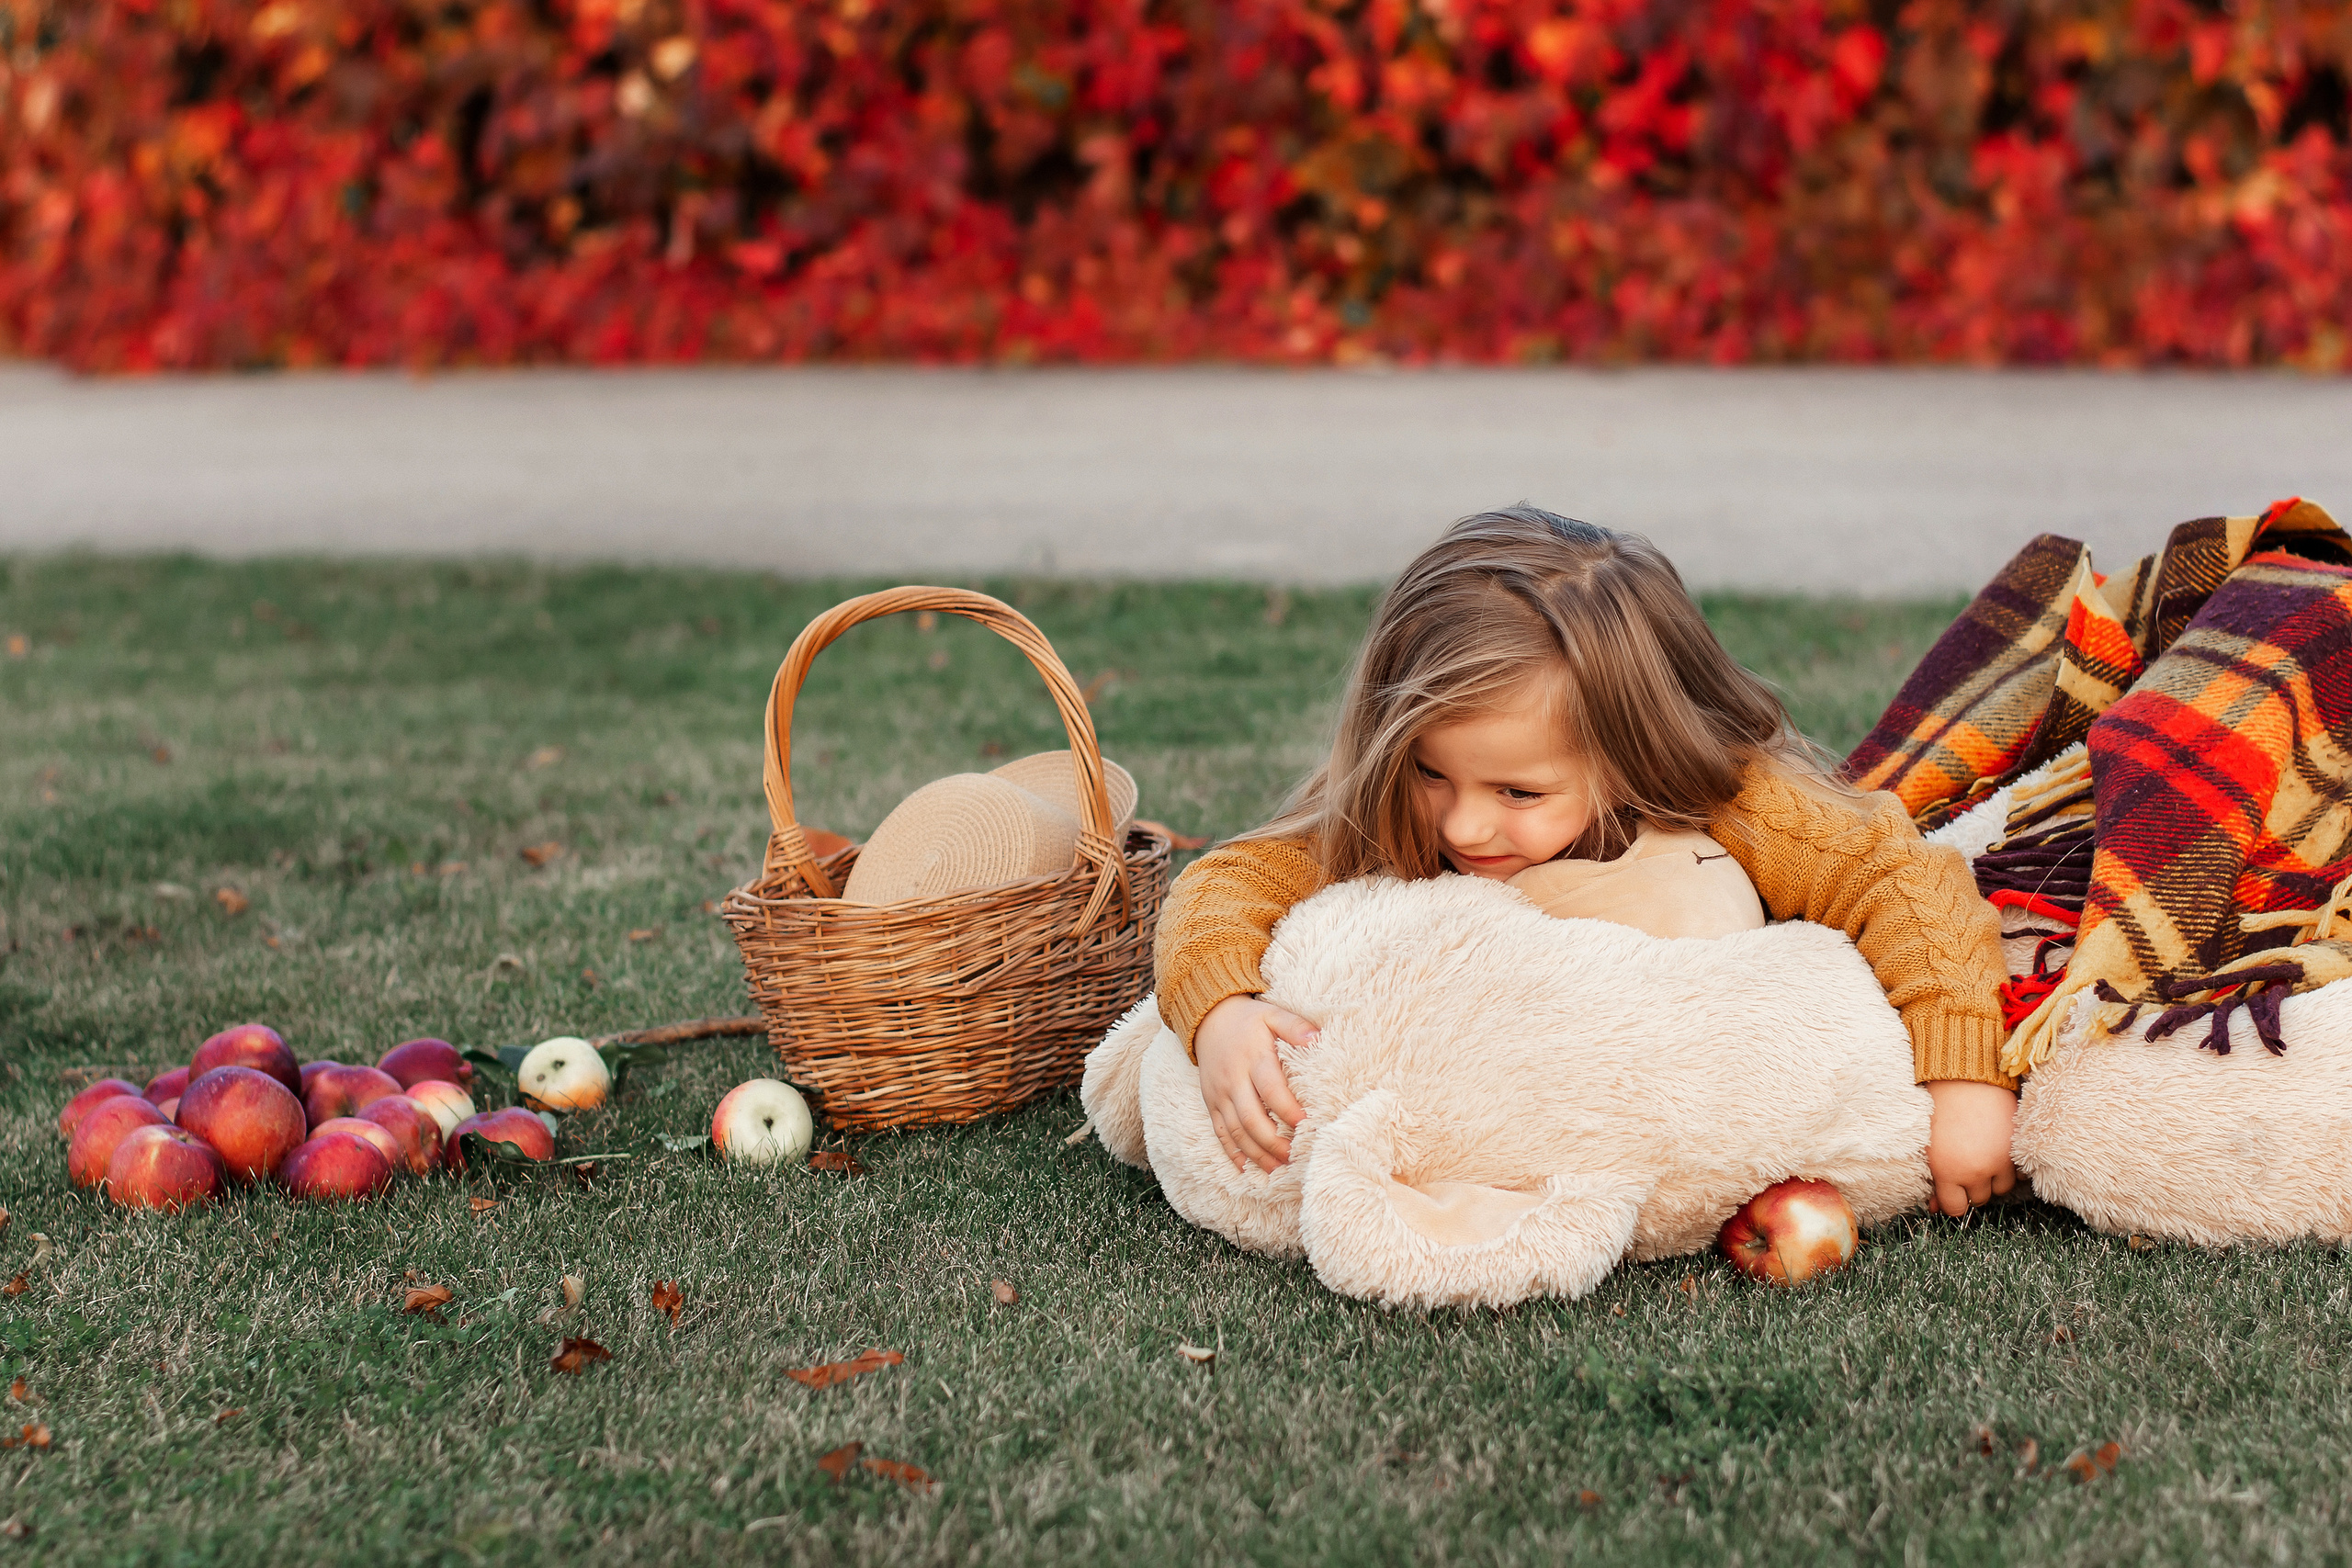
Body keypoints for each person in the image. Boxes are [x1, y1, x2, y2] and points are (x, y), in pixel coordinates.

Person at [1156, 507, 2016, 1219]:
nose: (1463, 821)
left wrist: (1965, 1077)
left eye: (1519, 793)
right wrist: (1220, 1009)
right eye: (1430, 771)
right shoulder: (1389, 811)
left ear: (1630, 754)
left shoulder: (1734, 802)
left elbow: (1900, 879)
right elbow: (1223, 882)